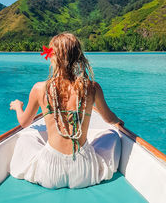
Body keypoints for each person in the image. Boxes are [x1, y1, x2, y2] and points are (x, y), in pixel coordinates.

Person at [9, 32, 124, 189]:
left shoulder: (39, 89)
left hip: (49, 173)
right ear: (78, 57)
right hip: (84, 172)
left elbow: (24, 122)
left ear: (53, 57)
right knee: (112, 135)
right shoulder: (92, 87)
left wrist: (18, 107)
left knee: (25, 138)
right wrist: (118, 121)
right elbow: (109, 118)